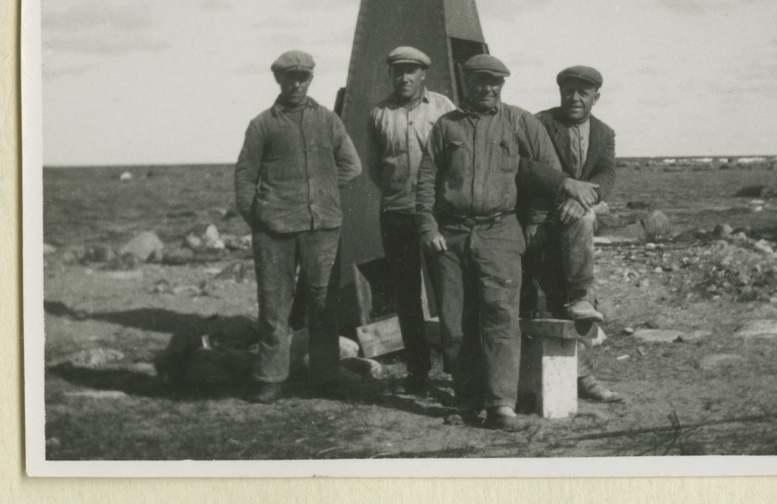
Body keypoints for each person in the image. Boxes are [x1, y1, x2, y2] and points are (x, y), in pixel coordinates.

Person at [415, 54, 599, 431]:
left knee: (501, 319)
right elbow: (426, 179)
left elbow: (548, 172)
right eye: (479, 81)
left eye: (494, 82)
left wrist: (532, 222)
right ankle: (467, 401)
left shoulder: (519, 122)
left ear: (502, 85)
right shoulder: (445, 127)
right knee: (455, 323)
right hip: (450, 235)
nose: (487, 88)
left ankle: (501, 405)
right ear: (467, 83)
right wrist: (427, 227)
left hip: (500, 232)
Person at [234, 50, 363, 403]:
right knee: (274, 305)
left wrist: (321, 190)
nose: (296, 84)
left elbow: (352, 165)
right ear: (279, 80)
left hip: (322, 228)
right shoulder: (263, 124)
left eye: (302, 77)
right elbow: (245, 177)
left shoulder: (328, 121)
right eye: (289, 77)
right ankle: (271, 377)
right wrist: (258, 217)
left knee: (324, 304)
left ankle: (325, 376)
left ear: (310, 80)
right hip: (274, 231)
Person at [521, 64, 624, 403]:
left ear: (596, 96)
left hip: (575, 219)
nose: (575, 98)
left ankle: (584, 376)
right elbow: (527, 167)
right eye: (569, 91)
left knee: (580, 303)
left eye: (583, 92)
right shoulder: (540, 122)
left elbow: (606, 175)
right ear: (560, 93)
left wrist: (585, 199)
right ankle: (533, 379)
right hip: (538, 221)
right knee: (537, 299)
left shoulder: (604, 133)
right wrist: (566, 190)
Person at [366, 46, 456, 396]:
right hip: (396, 214)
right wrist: (397, 195)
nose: (404, 77)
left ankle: (455, 369)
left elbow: (456, 157)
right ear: (391, 74)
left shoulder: (444, 107)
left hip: (438, 215)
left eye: (411, 71)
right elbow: (375, 166)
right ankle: (417, 371)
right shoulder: (379, 114)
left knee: (448, 290)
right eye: (398, 71)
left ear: (423, 75)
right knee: (406, 295)